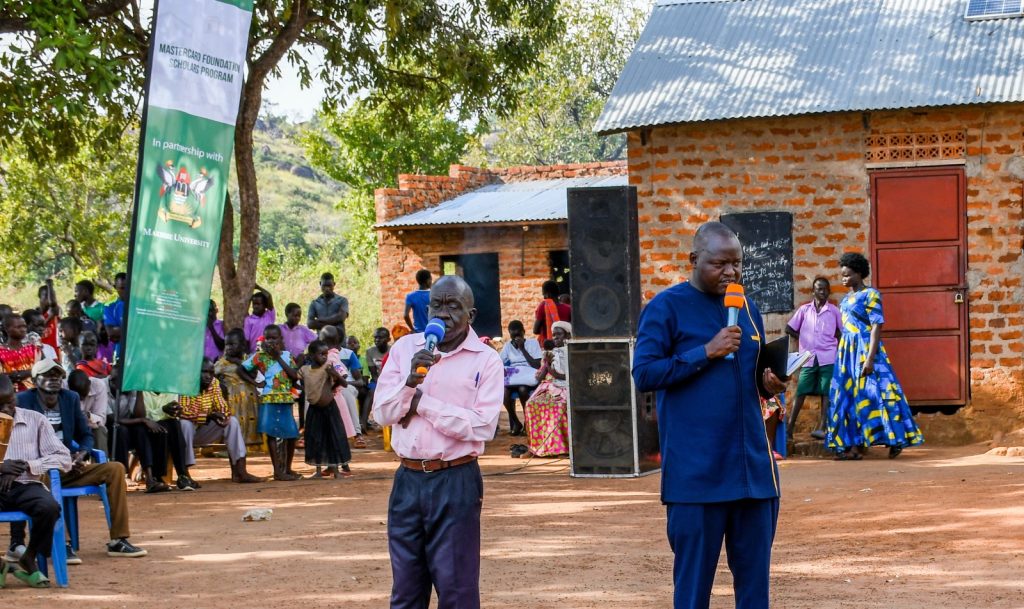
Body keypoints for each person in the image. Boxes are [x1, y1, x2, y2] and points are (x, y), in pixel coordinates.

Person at [632, 221, 787, 609]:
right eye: (720, 264)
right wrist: (705, 352)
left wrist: (768, 383)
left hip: (752, 474)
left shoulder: (746, 306)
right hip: (697, 477)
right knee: (692, 591)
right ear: (693, 260)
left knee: (754, 590)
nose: (731, 273)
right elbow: (644, 373)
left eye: (737, 264)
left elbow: (749, 378)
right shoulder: (664, 308)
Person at [372, 274, 504, 608]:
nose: (442, 314)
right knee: (406, 592)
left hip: (455, 480)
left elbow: (482, 426)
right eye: (437, 305)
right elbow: (382, 414)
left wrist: (420, 404)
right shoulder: (405, 350)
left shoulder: (485, 360)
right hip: (407, 482)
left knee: (457, 589)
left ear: (470, 315)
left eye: (453, 306)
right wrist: (408, 384)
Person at [15, 359, 147, 562]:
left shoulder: (70, 398)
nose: (53, 380)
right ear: (35, 381)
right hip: (39, 470)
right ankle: (64, 543)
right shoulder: (22, 401)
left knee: (115, 469)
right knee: (44, 475)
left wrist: (82, 454)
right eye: (48, 376)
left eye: (57, 376)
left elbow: (85, 435)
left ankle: (118, 540)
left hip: (68, 467)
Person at [827, 253, 924, 460]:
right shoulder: (845, 300)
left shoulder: (871, 295)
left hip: (865, 349)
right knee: (848, 398)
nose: (843, 279)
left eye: (848, 275)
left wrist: (870, 358)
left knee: (881, 394)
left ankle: (896, 439)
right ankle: (853, 447)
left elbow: (876, 326)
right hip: (847, 352)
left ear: (859, 273)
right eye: (842, 275)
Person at [0, 374, 71, 588]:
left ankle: (29, 555)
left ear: (15, 395)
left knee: (49, 508)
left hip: (25, 483)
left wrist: (27, 465)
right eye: (0, 405)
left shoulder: (35, 420)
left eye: (10, 402)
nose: (6, 409)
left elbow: (63, 457)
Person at [177, 359, 261, 483]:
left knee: (232, 422)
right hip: (183, 435)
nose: (208, 376)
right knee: (185, 424)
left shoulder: (214, 383)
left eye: (211, 372)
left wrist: (223, 416)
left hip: (202, 431)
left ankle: (240, 472)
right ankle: (185, 475)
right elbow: (184, 411)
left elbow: (223, 407)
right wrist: (208, 416)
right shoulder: (185, 384)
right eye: (204, 372)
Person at [785, 277, 842, 441]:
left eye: (825, 289)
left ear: (829, 291)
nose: (823, 292)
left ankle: (822, 427)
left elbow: (841, 331)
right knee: (802, 390)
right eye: (819, 289)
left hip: (828, 357)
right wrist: (802, 339)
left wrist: (834, 342)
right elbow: (789, 328)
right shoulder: (804, 310)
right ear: (813, 291)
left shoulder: (834, 311)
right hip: (808, 357)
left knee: (826, 392)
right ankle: (789, 429)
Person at [242, 325, 300, 481]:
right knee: (272, 434)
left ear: (281, 339)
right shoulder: (260, 356)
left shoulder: (287, 355)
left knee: (291, 434)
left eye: (274, 338)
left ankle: (287, 468)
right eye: (267, 338)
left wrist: (278, 357)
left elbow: (294, 376)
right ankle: (277, 471)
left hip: (285, 399)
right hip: (269, 399)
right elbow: (243, 369)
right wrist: (255, 383)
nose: (270, 341)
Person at [299, 340, 350, 479]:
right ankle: (318, 471)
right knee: (316, 438)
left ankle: (336, 471)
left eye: (326, 354)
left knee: (332, 437)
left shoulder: (328, 367)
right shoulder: (305, 370)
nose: (324, 357)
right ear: (311, 355)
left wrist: (334, 375)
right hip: (314, 410)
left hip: (330, 409)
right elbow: (296, 379)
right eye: (321, 354)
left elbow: (344, 383)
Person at [519, 321, 570, 458]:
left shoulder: (570, 352)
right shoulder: (549, 353)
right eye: (554, 335)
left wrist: (549, 367)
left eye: (559, 335)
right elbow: (540, 377)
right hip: (548, 386)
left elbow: (565, 376)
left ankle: (561, 449)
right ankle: (535, 448)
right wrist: (546, 362)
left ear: (567, 336)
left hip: (564, 387)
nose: (555, 338)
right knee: (531, 405)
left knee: (559, 407)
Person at [108, 387, 172, 494]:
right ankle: (121, 479)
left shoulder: (132, 388)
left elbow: (139, 414)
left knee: (140, 430)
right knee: (121, 430)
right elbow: (113, 419)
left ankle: (150, 478)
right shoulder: (103, 386)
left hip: (129, 426)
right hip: (109, 427)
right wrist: (143, 420)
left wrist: (139, 391)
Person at [320, 326, 366, 448]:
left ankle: (357, 433)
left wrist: (343, 384)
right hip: (328, 386)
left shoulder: (348, 354)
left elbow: (360, 381)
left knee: (346, 393)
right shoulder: (320, 353)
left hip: (347, 385)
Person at [140, 391, 195, 491]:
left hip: (167, 422)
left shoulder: (170, 389)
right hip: (146, 426)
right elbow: (147, 416)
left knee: (175, 425)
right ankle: (158, 476)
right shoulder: (143, 392)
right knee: (162, 429)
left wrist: (172, 411)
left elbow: (172, 414)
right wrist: (163, 410)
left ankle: (182, 475)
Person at [215, 329, 261, 447]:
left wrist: (237, 362)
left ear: (242, 345)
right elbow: (212, 374)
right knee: (235, 421)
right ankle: (234, 444)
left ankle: (250, 443)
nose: (229, 348)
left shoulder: (248, 360)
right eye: (227, 345)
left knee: (250, 420)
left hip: (249, 398)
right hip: (232, 399)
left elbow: (253, 374)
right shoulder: (222, 363)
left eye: (232, 344)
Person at [499, 320, 542, 436]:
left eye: (518, 335)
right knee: (504, 393)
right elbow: (499, 361)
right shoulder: (508, 346)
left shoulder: (533, 343)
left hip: (527, 376)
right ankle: (516, 422)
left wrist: (522, 348)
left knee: (523, 389)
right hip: (514, 377)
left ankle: (528, 422)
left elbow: (537, 365)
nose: (516, 338)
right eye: (513, 336)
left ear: (524, 332)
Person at [67, 369, 109, 454]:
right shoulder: (63, 387)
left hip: (90, 427)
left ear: (89, 384)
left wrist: (88, 416)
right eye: (77, 396)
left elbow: (101, 420)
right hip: (69, 427)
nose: (80, 399)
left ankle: (101, 466)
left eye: (83, 395)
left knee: (100, 431)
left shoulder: (99, 386)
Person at [0, 314, 43, 392]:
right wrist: (29, 372)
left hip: (34, 394)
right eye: (18, 327)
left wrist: (22, 374)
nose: (23, 329)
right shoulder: (1, 352)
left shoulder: (33, 349)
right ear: (7, 329)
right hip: (9, 395)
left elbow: (44, 369)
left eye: (24, 326)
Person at [307, 272, 349, 340]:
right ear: (320, 284)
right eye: (324, 286)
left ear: (334, 284)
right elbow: (310, 324)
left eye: (329, 285)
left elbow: (341, 317)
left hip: (339, 341)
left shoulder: (342, 300)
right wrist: (334, 324)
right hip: (322, 342)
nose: (327, 288)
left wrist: (320, 320)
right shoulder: (314, 303)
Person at [365, 327, 391, 429]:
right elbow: (373, 373)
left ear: (388, 339)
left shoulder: (393, 349)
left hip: (392, 380)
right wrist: (381, 384)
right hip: (377, 380)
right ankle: (363, 423)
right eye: (375, 337)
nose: (377, 340)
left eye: (380, 338)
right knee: (372, 391)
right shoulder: (370, 351)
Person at [346, 335, 372, 431]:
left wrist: (349, 383)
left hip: (359, 386)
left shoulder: (363, 360)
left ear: (359, 346)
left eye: (355, 342)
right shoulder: (343, 359)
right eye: (349, 343)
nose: (352, 344)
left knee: (365, 393)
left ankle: (362, 421)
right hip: (348, 386)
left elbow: (364, 380)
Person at [532, 280, 571, 344]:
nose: (544, 297)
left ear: (548, 294)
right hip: (564, 345)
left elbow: (535, 331)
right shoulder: (568, 308)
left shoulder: (543, 306)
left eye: (544, 295)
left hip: (547, 345)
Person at [102, 272, 127, 361]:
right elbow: (112, 333)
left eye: (129, 287)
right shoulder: (110, 307)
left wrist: (120, 329)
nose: (126, 291)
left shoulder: (140, 306)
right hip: (121, 354)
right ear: (115, 287)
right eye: (122, 288)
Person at [243, 285, 276, 350]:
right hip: (254, 354)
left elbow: (268, 296)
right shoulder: (249, 320)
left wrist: (258, 287)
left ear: (265, 305)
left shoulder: (269, 315)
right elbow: (246, 340)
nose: (255, 306)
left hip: (269, 353)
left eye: (258, 304)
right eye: (254, 304)